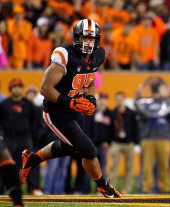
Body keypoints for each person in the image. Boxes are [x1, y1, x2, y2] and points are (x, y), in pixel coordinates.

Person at [19, 18, 121, 198]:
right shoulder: (64, 55)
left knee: (71, 147)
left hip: (74, 110)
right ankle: (103, 186)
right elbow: (45, 89)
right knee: (88, 150)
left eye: (91, 39)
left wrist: (91, 100)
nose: (88, 43)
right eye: (84, 38)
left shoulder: (98, 55)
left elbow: (89, 81)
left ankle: (32, 159)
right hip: (55, 111)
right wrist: (70, 102)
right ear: (76, 38)